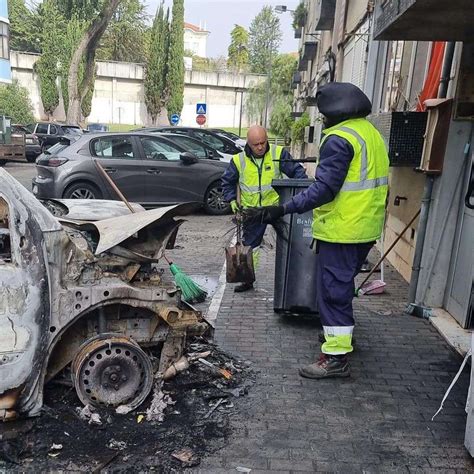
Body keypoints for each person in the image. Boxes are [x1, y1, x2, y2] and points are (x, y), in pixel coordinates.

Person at [243, 83, 389, 378]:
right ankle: (341, 340)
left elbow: (324, 190)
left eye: (323, 115)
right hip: (365, 226)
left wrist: (282, 208)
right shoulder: (370, 133)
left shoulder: (339, 139)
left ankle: (335, 358)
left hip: (343, 228)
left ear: (335, 111)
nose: (322, 121)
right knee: (343, 287)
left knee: (332, 292)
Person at [221, 125, 308, 292]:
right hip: (253, 210)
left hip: (277, 208)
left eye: (263, 142)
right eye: (256, 144)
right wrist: (231, 199)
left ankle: (296, 277)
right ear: (248, 143)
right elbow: (228, 182)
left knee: (292, 242)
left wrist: (302, 195)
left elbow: (297, 173)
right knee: (250, 248)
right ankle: (247, 280)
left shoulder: (278, 153)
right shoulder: (239, 161)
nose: (260, 147)